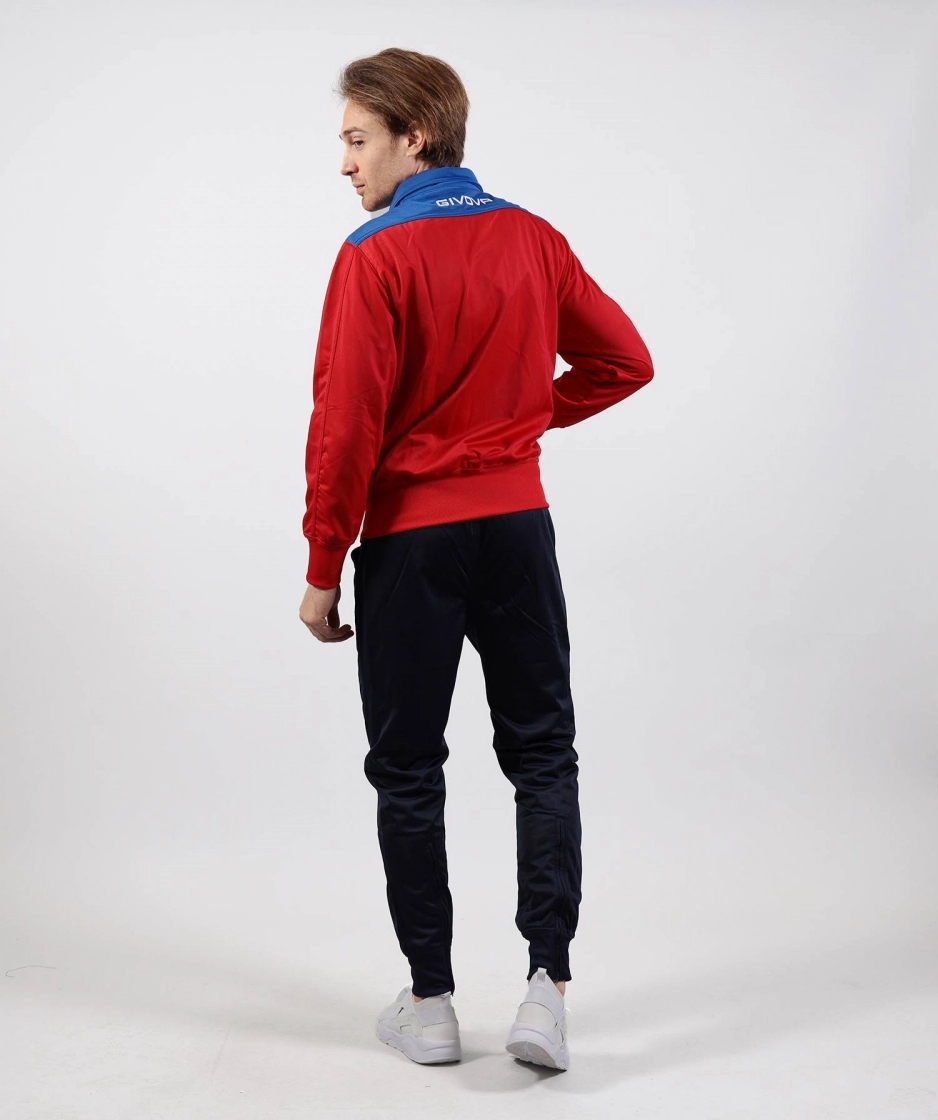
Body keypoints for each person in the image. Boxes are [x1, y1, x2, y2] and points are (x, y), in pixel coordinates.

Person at [298, 47, 654, 1071]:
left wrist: (322, 564)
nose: (344, 163)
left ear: (415, 136)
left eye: (357, 139)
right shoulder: (532, 238)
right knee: (542, 751)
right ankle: (546, 991)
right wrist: (518, 420)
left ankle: (432, 1004)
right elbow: (623, 360)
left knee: (410, 765)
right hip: (518, 530)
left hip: (412, 540)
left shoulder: (374, 255)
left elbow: (346, 428)